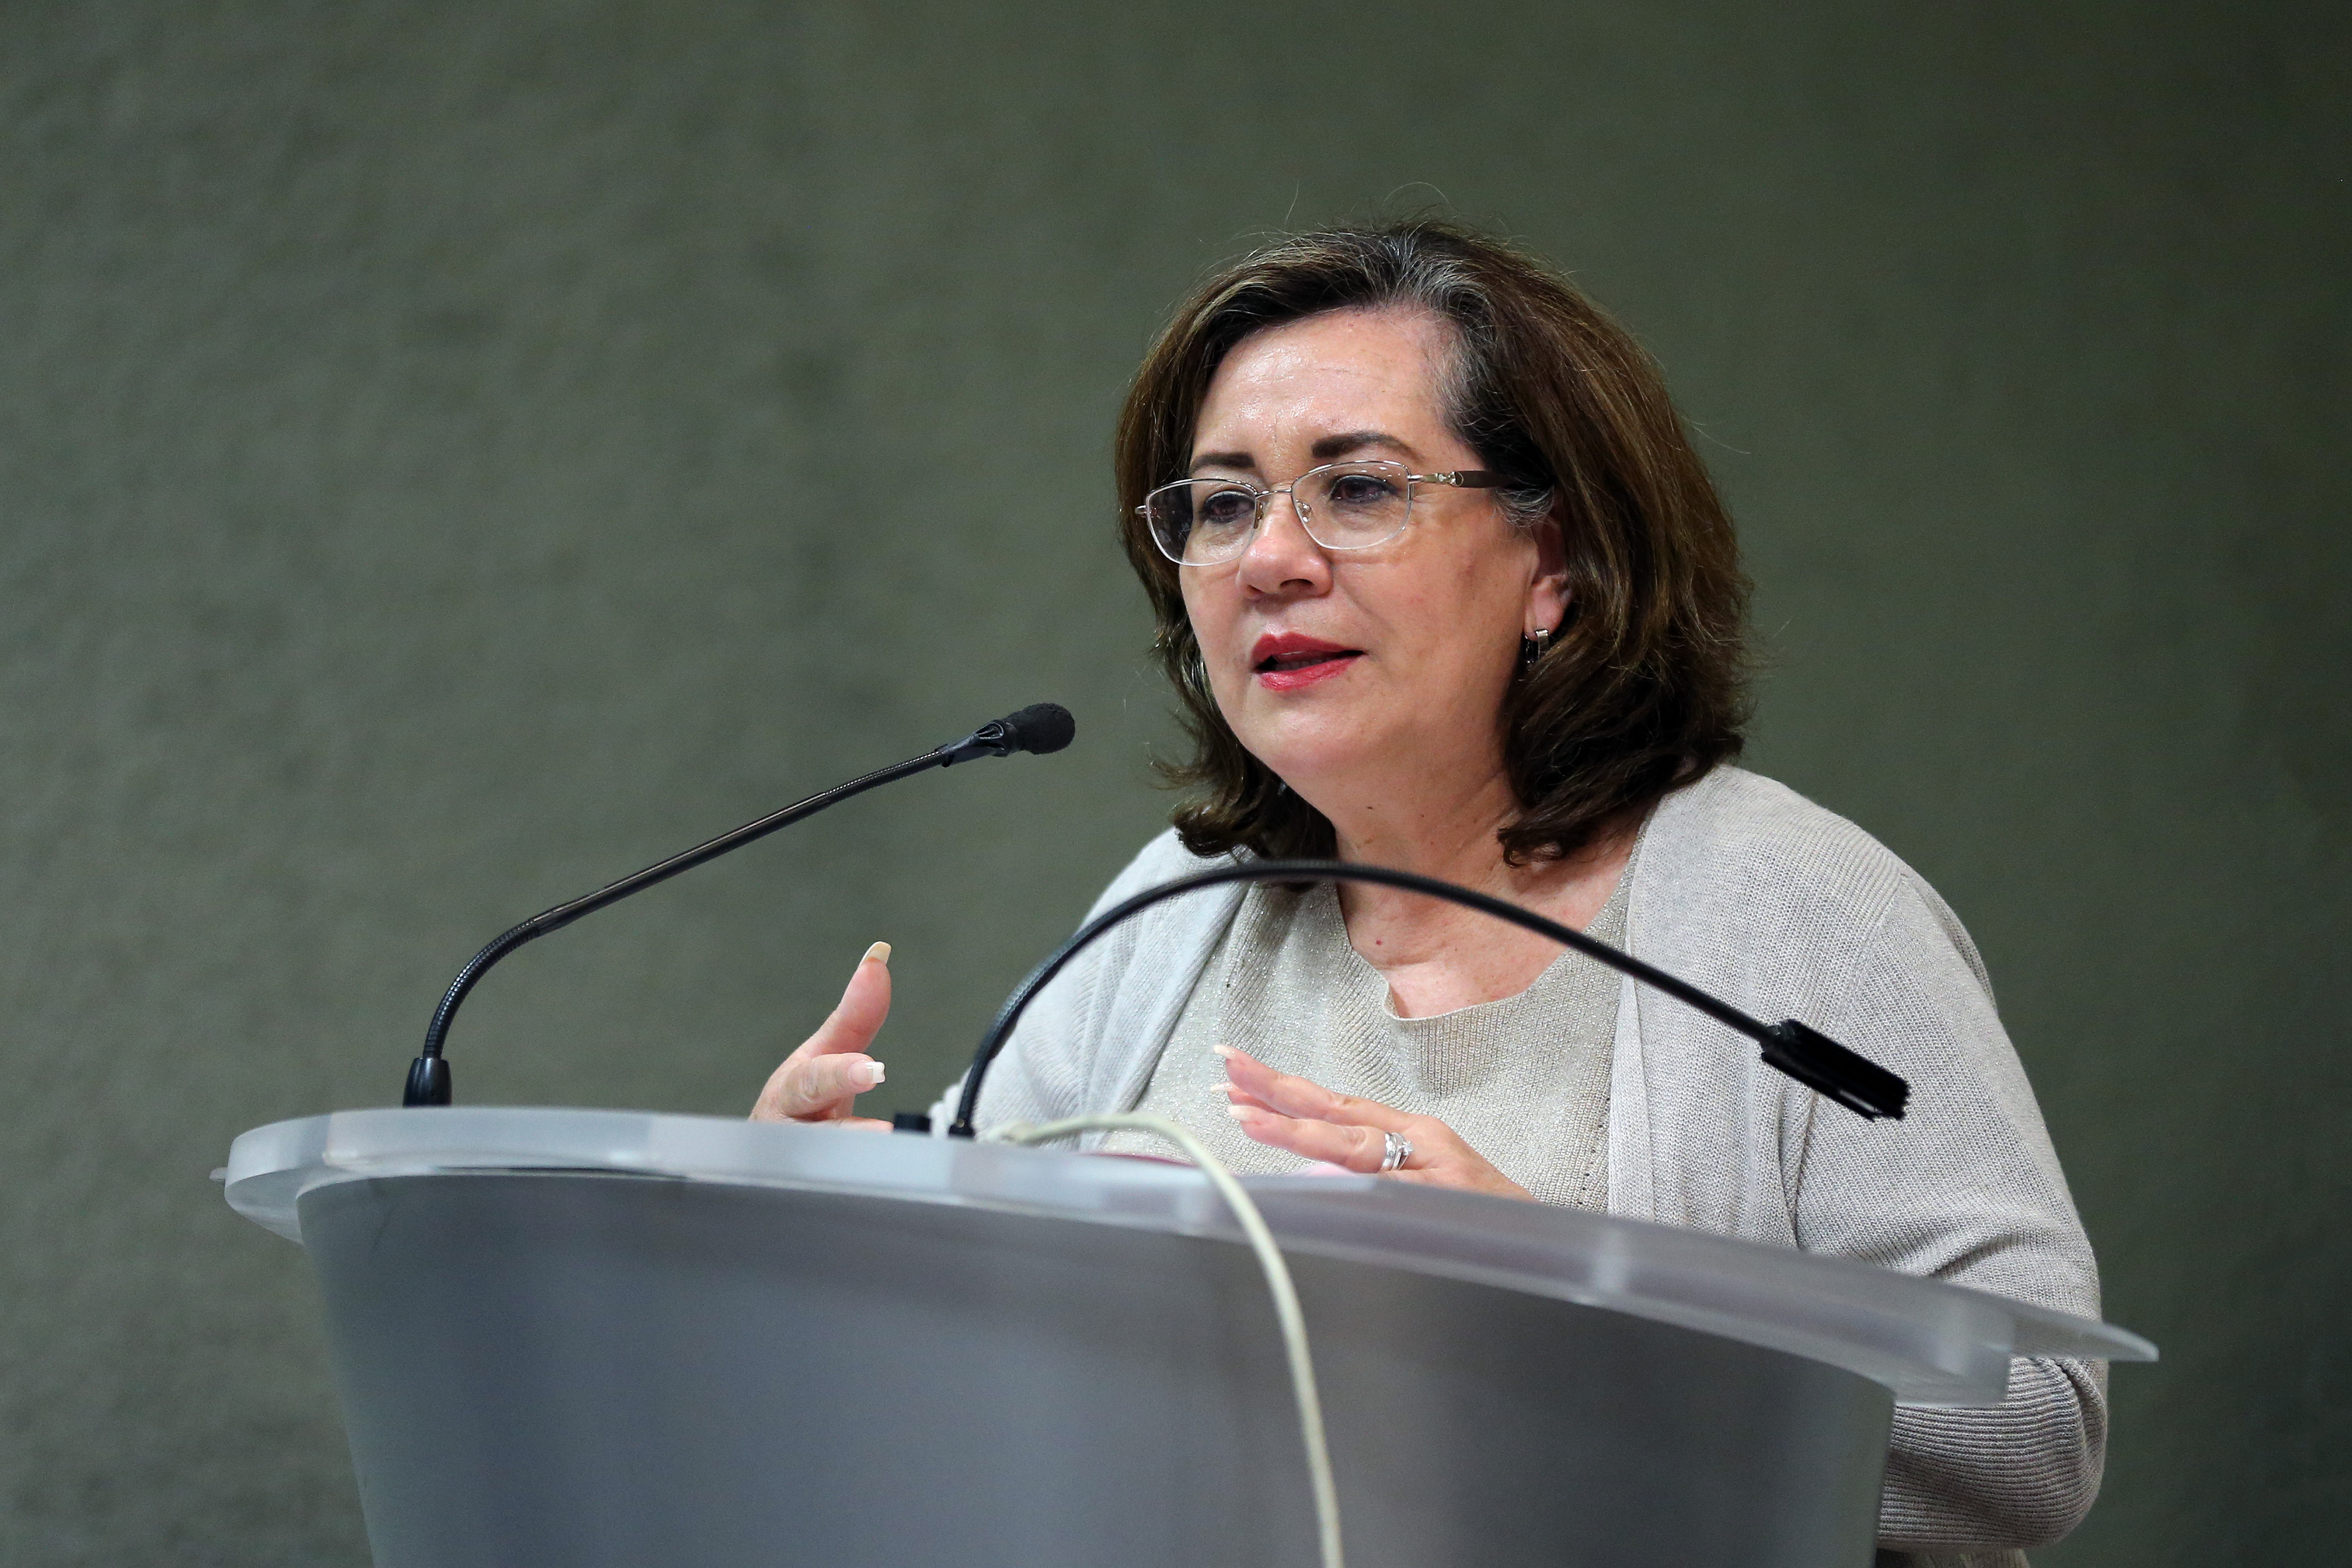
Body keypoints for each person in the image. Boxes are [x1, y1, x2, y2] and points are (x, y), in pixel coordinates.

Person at [752, 221, 2106, 1566]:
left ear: (1554, 563)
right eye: (1221, 503)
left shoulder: (1790, 906)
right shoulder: (1173, 909)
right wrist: (810, 1223)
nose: (1268, 559)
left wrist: (1579, 1314)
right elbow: (994, 1354)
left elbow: (2032, 1428)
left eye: (1356, 489)